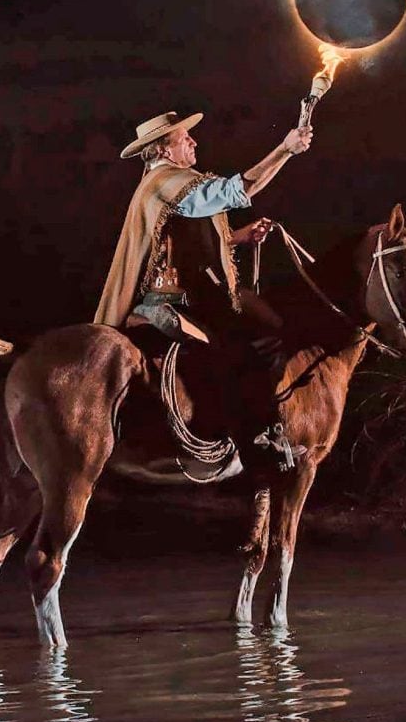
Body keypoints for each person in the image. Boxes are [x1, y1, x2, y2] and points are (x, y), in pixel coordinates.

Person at [94, 108, 313, 465]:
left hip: (180, 297)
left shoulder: (168, 183)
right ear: (164, 150)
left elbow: (187, 241)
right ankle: (256, 436)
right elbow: (234, 191)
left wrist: (240, 237)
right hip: (170, 302)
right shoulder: (165, 181)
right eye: (184, 138)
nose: (194, 141)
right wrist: (285, 149)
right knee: (251, 343)